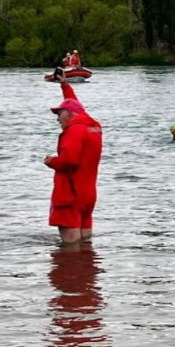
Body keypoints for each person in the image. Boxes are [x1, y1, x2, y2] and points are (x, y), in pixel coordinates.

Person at [43, 72, 103, 245]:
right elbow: (77, 106)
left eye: (59, 114)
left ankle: (70, 272)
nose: (57, 119)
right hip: (87, 195)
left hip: (70, 194)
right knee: (85, 245)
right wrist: (65, 85)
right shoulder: (92, 125)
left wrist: (51, 161)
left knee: (70, 247)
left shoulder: (73, 131)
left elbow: (69, 160)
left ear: (69, 114)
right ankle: (86, 271)